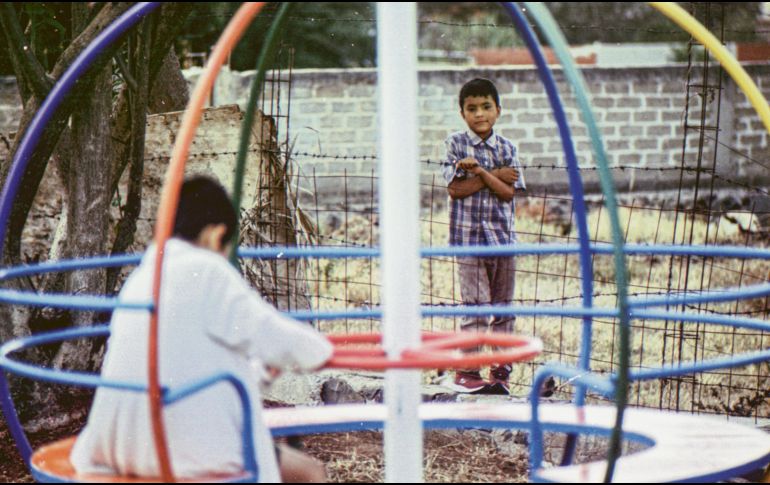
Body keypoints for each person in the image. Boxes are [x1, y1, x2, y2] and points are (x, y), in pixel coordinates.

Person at [71, 175, 331, 482]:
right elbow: (273, 335)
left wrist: (258, 371)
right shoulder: (206, 270)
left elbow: (191, 359)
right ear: (215, 235)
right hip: (179, 451)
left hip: (115, 445)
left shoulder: (144, 275)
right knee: (310, 473)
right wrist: (321, 349)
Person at [440, 78, 526, 394]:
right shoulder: (454, 145)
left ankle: (501, 369)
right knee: (474, 304)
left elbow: (507, 193)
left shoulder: (507, 148)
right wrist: (491, 176)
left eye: (486, 107)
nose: (480, 114)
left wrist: (481, 173)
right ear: (462, 113)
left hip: (503, 240)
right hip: (468, 241)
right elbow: (455, 189)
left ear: (498, 110)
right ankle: (469, 370)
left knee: (503, 306)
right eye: (472, 108)